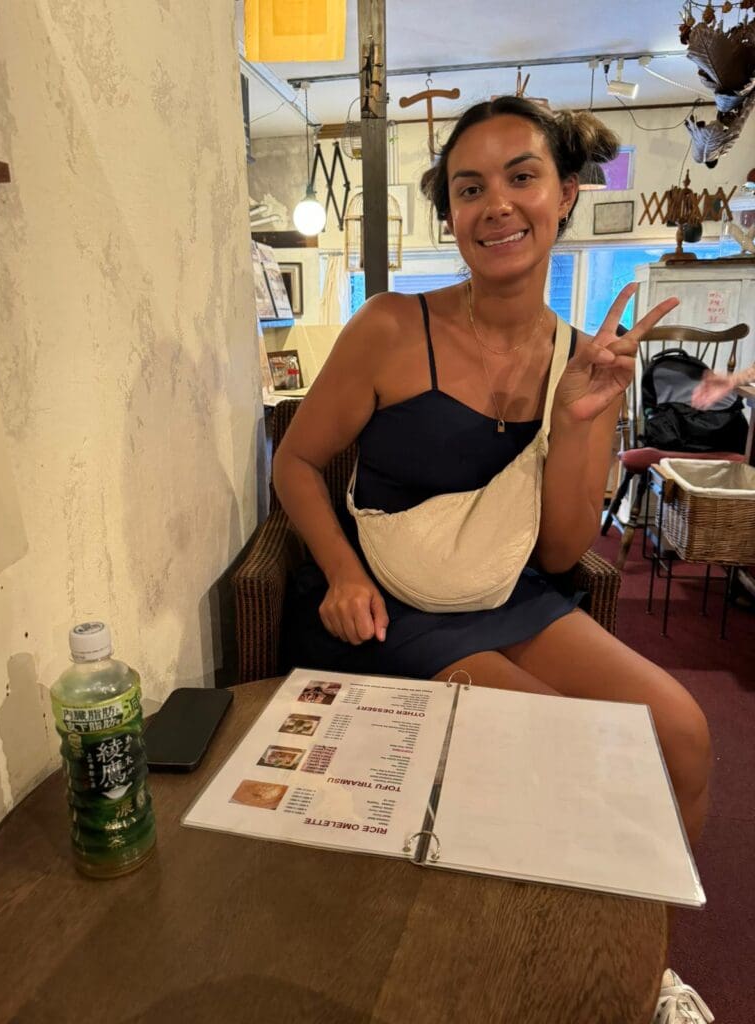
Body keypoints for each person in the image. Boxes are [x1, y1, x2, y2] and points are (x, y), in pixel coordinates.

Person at [274, 97, 713, 1020]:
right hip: (394, 605)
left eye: (522, 177)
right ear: (450, 213)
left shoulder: (578, 357)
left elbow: (559, 551)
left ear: (563, 195)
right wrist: (344, 572)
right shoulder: (392, 327)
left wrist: (581, 418)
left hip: (506, 591)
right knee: (572, 751)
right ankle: (552, 978)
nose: (496, 205)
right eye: (470, 188)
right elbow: (297, 461)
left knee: (680, 731)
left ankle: (638, 969)